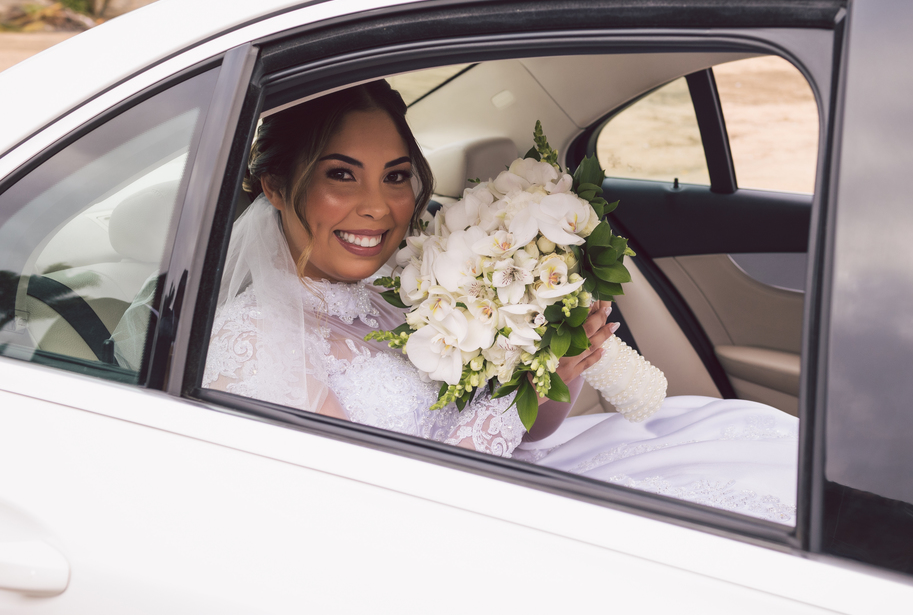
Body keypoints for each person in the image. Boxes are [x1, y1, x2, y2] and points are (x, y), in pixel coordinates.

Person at [203, 80, 799, 524]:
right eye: (341, 175)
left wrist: (557, 371)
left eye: (395, 176)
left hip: (507, 485)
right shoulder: (254, 341)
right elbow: (376, 510)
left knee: (753, 455)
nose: (378, 207)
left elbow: (523, 433)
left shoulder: (407, 288)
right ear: (276, 187)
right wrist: (519, 402)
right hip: (445, 529)